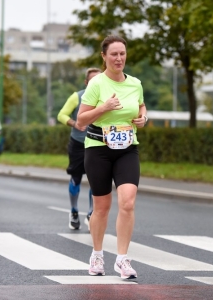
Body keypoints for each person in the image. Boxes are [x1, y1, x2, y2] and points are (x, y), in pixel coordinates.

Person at [77, 36, 148, 279]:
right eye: (114, 54)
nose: (119, 58)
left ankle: (122, 260)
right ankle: (97, 254)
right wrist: (103, 108)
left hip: (128, 148)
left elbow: (140, 106)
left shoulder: (135, 83)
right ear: (104, 57)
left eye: (122, 54)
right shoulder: (97, 84)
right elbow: (81, 120)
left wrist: (143, 117)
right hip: (98, 148)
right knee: (102, 207)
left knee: (127, 202)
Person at [57, 67, 101, 230]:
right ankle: (74, 211)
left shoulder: (106, 97)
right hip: (78, 143)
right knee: (76, 177)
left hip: (97, 143)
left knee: (95, 180)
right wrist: (74, 123)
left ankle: (91, 213)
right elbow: (61, 115)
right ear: (86, 82)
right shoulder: (78, 96)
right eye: (92, 80)